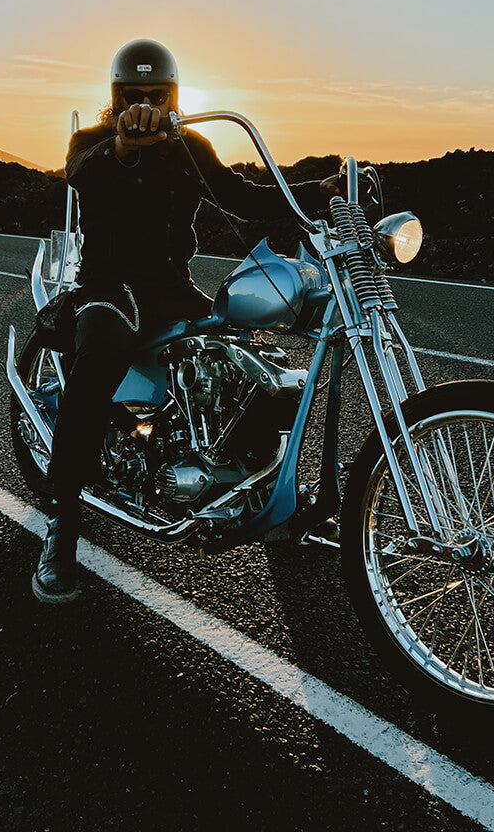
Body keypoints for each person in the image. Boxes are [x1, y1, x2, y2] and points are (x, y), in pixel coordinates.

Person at [33, 38, 343, 602]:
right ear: (117, 97)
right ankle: (63, 523)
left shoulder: (190, 147)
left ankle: (254, 488)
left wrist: (319, 192)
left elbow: (243, 197)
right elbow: (80, 175)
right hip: (109, 290)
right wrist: (124, 146)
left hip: (172, 291)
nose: (146, 103)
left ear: (174, 94)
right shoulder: (93, 141)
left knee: (248, 359)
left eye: (156, 93)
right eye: (134, 94)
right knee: (100, 356)